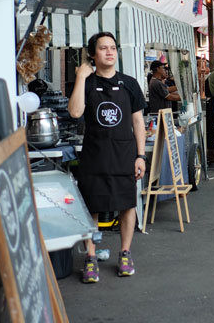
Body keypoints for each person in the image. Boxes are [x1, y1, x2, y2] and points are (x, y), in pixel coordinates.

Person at [68, 32, 147, 282]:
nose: (109, 52)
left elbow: (138, 122)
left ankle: (125, 253)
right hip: (95, 155)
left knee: (127, 204)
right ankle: (91, 257)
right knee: (92, 206)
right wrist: (81, 76)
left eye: (112, 47)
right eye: (103, 48)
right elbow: (75, 112)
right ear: (93, 54)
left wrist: (141, 156)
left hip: (124, 154)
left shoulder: (130, 84)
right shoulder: (87, 83)